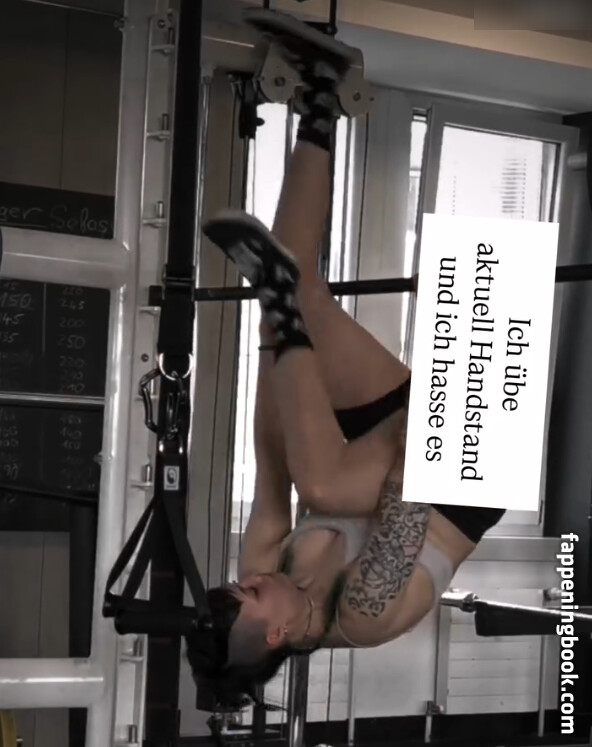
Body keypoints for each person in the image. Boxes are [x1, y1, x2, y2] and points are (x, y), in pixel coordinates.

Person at [186, 8, 505, 706]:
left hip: (372, 454)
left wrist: (274, 339)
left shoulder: (267, 564)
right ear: (277, 635)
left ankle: (323, 99)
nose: (251, 578)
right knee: (326, 487)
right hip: (453, 479)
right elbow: (408, 497)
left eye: (241, 582)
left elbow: (272, 453)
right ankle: (280, 302)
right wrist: (443, 396)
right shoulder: (362, 616)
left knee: (300, 288)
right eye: (250, 594)